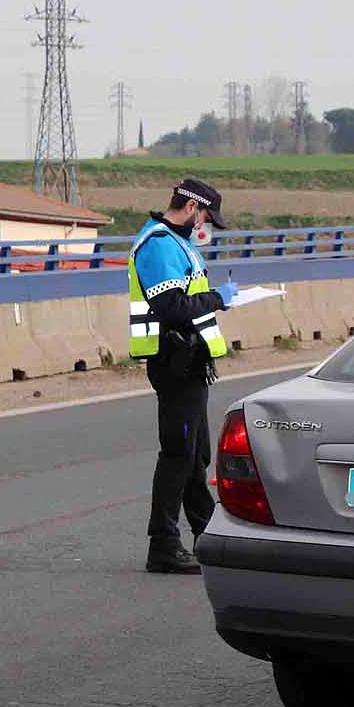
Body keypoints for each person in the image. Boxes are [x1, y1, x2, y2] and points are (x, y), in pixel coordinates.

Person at [128, 180, 238, 574]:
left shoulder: (178, 244)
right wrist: (219, 298)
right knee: (178, 453)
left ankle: (206, 533)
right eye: (206, 216)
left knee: (195, 454)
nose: (205, 224)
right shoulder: (159, 244)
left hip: (190, 360)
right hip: (174, 360)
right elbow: (172, 306)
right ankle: (163, 544)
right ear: (192, 207)